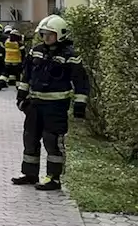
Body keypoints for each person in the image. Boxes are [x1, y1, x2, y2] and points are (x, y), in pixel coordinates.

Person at [12, 14, 88, 191]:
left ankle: (54, 178)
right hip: (35, 104)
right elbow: (26, 76)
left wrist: (79, 105)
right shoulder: (36, 50)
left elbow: (81, 82)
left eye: (50, 34)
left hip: (56, 107)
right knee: (30, 138)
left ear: (60, 35)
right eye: (44, 34)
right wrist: (21, 98)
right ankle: (30, 174)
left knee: (51, 141)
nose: (46, 38)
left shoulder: (71, 56)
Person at [0, 26, 24, 91]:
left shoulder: (6, 41)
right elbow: (23, 52)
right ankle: (18, 86)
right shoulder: (18, 43)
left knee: (5, 73)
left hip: (7, 60)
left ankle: (1, 82)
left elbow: (3, 50)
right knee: (17, 75)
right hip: (16, 61)